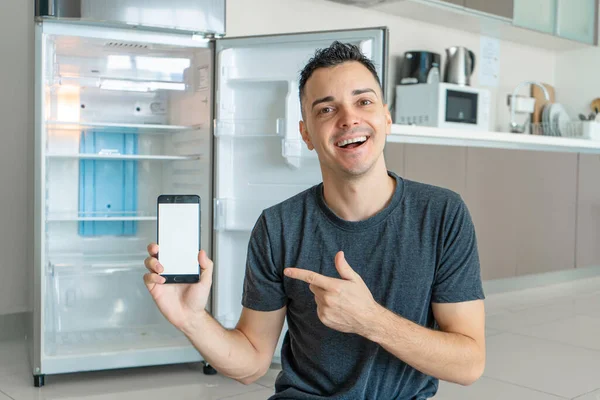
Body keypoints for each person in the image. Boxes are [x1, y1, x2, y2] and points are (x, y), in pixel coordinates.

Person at [144, 41, 486, 399]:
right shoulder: (278, 226)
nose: (349, 118)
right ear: (306, 133)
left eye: (363, 101)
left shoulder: (442, 213)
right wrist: (191, 319)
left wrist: (370, 320)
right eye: (326, 110)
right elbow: (252, 362)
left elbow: (469, 363)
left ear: (386, 118)